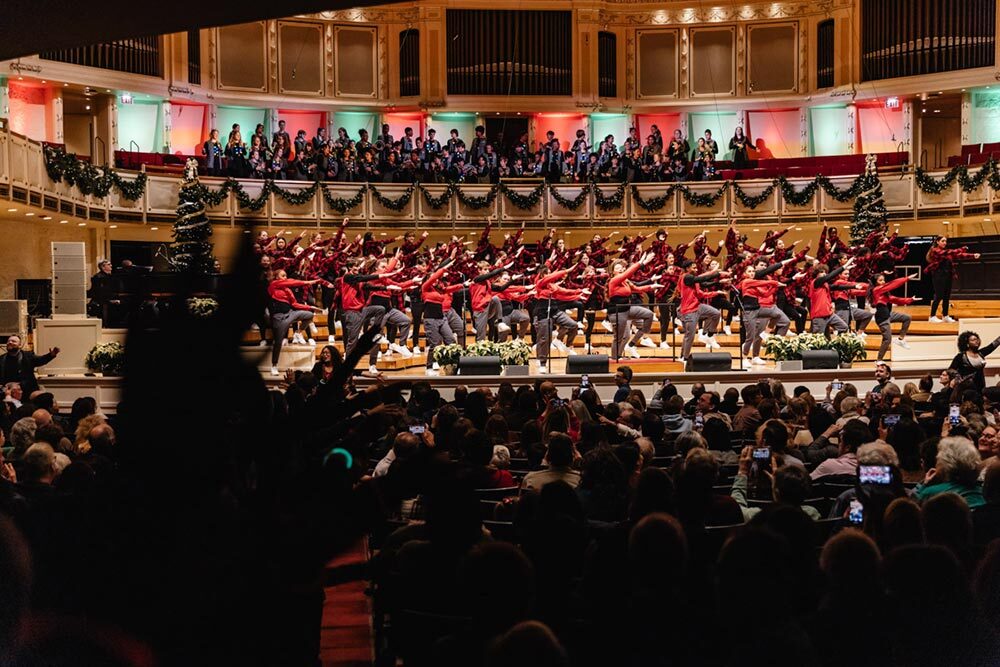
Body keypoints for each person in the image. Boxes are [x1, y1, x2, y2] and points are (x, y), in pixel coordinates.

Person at [926, 236, 979, 323]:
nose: (944, 243)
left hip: (948, 275)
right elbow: (950, 252)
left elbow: (959, 255)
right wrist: (961, 248)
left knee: (946, 296)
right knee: (939, 296)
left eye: (945, 241)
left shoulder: (947, 252)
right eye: (943, 241)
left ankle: (945, 315)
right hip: (938, 275)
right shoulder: (935, 250)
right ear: (938, 242)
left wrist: (972, 255)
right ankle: (932, 316)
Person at [870, 273, 918, 360]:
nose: (883, 281)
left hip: (888, 314)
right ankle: (879, 360)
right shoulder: (876, 290)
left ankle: (900, 339)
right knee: (887, 339)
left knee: (907, 318)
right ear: (875, 283)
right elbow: (892, 284)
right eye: (880, 280)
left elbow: (895, 299)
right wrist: (906, 278)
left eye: (883, 280)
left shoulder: (884, 293)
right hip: (882, 317)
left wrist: (911, 299)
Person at [87, 259, 119, 325]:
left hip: (108, 299)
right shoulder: (98, 277)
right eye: (109, 264)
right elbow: (99, 292)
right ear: (103, 267)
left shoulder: (110, 276)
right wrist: (110, 300)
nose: (111, 265)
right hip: (102, 301)